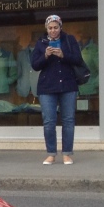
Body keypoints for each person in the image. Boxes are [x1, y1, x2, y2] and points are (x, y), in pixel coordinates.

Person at [30, 14, 84, 165]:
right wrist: (45, 55)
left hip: (68, 85)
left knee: (68, 120)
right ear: (46, 29)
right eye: (50, 28)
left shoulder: (69, 40)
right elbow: (34, 65)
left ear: (61, 27)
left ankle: (67, 153)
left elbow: (78, 59)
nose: (53, 31)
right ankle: (51, 153)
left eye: (56, 27)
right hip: (47, 87)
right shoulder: (41, 42)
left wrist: (63, 55)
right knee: (49, 121)